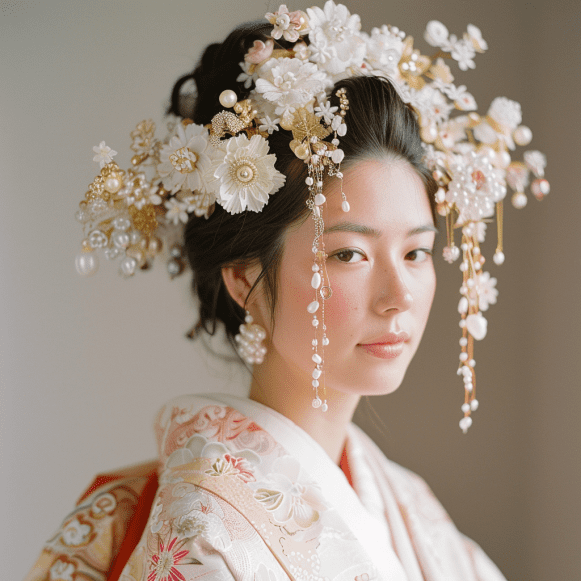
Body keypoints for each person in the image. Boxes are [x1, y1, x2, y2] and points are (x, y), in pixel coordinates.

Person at [27, 3, 548, 579]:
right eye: (349, 253)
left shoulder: (407, 505)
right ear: (245, 278)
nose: (398, 294)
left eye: (415, 253)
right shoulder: (204, 538)